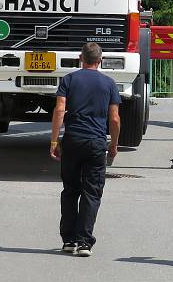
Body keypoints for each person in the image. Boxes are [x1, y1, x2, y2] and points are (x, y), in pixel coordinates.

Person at [50, 42, 120, 257]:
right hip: (96, 143)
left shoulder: (69, 79)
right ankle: (84, 243)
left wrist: (54, 141)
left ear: (81, 58)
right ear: (100, 60)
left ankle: (68, 240)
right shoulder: (109, 84)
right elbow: (115, 118)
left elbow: (60, 110)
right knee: (92, 192)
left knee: (70, 190)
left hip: (73, 140)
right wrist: (114, 144)